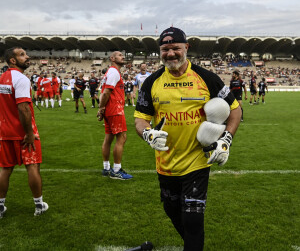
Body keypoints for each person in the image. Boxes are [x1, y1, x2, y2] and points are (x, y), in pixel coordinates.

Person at [134, 27, 241, 250]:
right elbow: (140, 119)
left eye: (175, 48)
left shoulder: (207, 78)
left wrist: (226, 139)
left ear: (186, 48)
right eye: (165, 49)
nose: (170, 53)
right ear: (160, 51)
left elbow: (235, 109)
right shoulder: (151, 82)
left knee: (193, 219)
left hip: (197, 161)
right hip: (166, 163)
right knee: (172, 211)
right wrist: (147, 133)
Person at [0, 47, 48, 218]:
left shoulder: (2, 78)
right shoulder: (20, 78)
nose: (27, 57)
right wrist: (29, 133)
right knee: (33, 166)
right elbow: (23, 108)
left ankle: (0, 206)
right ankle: (39, 205)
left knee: (5, 169)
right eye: (22, 55)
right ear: (13, 60)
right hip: (23, 132)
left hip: (5, 131)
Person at [97, 51, 133, 180]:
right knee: (122, 137)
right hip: (114, 109)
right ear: (112, 58)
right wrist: (101, 107)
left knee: (108, 139)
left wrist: (101, 109)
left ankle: (106, 168)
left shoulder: (110, 72)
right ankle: (116, 170)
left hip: (109, 109)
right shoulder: (113, 72)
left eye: (123, 55)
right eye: (119, 55)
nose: (123, 56)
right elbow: (106, 92)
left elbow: (103, 92)